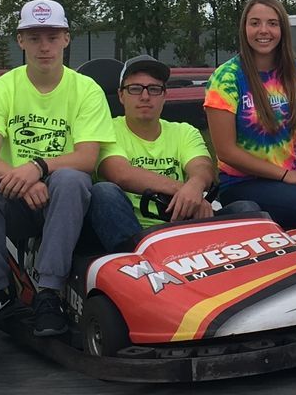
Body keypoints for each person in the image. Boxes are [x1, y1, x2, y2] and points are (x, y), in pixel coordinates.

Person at [0, 0, 113, 337]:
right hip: (17, 196)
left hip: (65, 201)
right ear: (20, 40)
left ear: (67, 39)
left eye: (52, 37)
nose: (44, 46)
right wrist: (27, 179)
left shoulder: (86, 89)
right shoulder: (2, 88)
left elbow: (88, 157)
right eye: (35, 37)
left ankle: (48, 292)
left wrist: (38, 166)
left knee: (72, 179)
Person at [204, 0, 296, 243]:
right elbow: (226, 151)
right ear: (244, 28)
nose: (263, 30)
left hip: (295, 170)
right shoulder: (226, 78)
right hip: (243, 182)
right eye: (255, 23)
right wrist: (286, 177)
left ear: (282, 30)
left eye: (272, 23)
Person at [85, 57, 217, 254]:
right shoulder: (106, 130)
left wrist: (196, 185)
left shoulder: (184, 131)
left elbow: (203, 168)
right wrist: (186, 190)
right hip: (133, 234)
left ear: (164, 96)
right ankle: (142, 264)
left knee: (245, 208)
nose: (145, 96)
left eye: (154, 89)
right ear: (121, 95)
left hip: (182, 226)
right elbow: (120, 173)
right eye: (135, 89)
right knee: (103, 192)